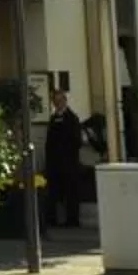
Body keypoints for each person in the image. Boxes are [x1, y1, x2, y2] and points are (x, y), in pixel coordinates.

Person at [43, 88, 86, 229]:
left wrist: (65, 153)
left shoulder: (72, 118)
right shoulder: (53, 118)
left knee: (71, 192)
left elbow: (76, 141)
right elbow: (49, 142)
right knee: (53, 192)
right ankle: (53, 219)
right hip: (55, 164)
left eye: (60, 100)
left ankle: (72, 220)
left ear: (65, 101)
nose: (57, 103)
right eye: (55, 101)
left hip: (69, 163)